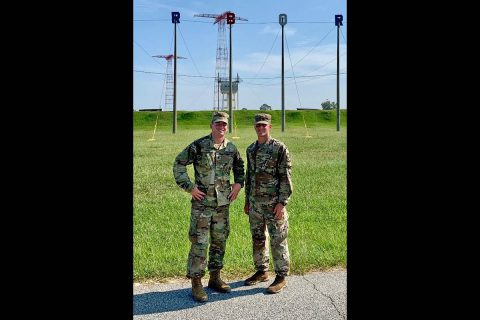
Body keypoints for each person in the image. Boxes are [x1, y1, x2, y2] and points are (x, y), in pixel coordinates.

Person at [173, 111, 245, 302]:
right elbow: (179, 164)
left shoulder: (231, 148)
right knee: (199, 243)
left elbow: (240, 168)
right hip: (202, 205)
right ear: (211, 126)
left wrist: (238, 185)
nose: (221, 127)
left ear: (227, 127)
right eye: (217, 124)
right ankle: (196, 282)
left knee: (219, 241)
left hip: (222, 205)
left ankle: (215, 278)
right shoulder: (199, 146)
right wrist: (190, 187)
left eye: (224, 124)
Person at [243, 113, 293, 294]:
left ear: (270, 127)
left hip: (273, 204)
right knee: (258, 239)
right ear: (255, 128)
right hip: (256, 204)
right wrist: (247, 200)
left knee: (278, 239)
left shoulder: (279, 148)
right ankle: (261, 271)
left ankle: (281, 276)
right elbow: (249, 176)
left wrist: (282, 202)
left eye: (264, 125)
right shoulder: (251, 149)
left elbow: (285, 177)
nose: (261, 128)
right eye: (258, 126)